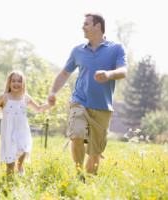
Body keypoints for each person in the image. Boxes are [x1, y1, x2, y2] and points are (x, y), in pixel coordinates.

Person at [47, 13, 127, 176]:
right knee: (76, 135)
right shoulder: (78, 50)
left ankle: (87, 183)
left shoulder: (116, 48)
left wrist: (108, 74)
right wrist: (53, 91)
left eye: (86, 24)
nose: (82, 27)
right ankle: (78, 174)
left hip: (103, 107)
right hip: (80, 101)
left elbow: (123, 70)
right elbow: (64, 74)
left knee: (95, 152)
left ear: (98, 26)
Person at [0, 70, 53, 179]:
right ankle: (10, 180)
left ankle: (20, 164)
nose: (16, 83)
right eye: (13, 81)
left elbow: (38, 108)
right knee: (10, 159)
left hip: (22, 129)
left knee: (24, 148)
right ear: (9, 83)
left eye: (19, 81)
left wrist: (50, 105)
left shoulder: (26, 98)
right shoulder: (4, 97)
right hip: (8, 130)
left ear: (23, 83)